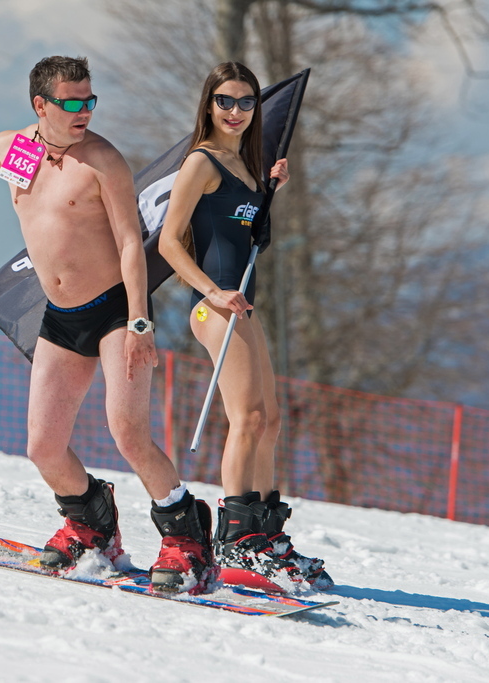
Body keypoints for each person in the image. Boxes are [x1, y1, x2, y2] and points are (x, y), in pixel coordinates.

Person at [0, 56, 217, 594]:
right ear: (41, 105)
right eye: (73, 102)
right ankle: (92, 523)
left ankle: (187, 537)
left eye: (90, 100)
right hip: (61, 317)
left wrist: (139, 320)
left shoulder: (102, 159)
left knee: (128, 434)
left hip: (116, 311)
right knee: (43, 447)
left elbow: (132, 243)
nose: (85, 111)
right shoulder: (15, 149)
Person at [157, 62, 332, 591]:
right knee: (247, 416)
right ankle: (236, 540)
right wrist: (211, 291)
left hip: (242, 307)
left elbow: (247, 238)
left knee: (270, 419)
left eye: (246, 102)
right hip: (214, 308)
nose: (235, 111)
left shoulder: (250, 167)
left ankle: (266, 535)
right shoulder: (202, 162)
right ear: (209, 105)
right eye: (225, 101)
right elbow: (169, 241)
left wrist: (269, 192)